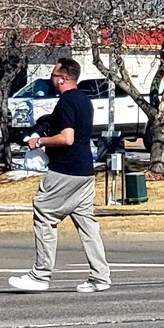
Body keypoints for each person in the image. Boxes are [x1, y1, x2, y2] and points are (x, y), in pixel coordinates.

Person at [8, 58, 112, 293]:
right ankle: (100, 277)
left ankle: (40, 275)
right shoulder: (84, 100)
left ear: (63, 78)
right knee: (87, 223)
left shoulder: (65, 102)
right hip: (85, 170)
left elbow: (67, 138)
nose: (51, 79)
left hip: (65, 170)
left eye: (54, 75)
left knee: (44, 212)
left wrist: (39, 142)